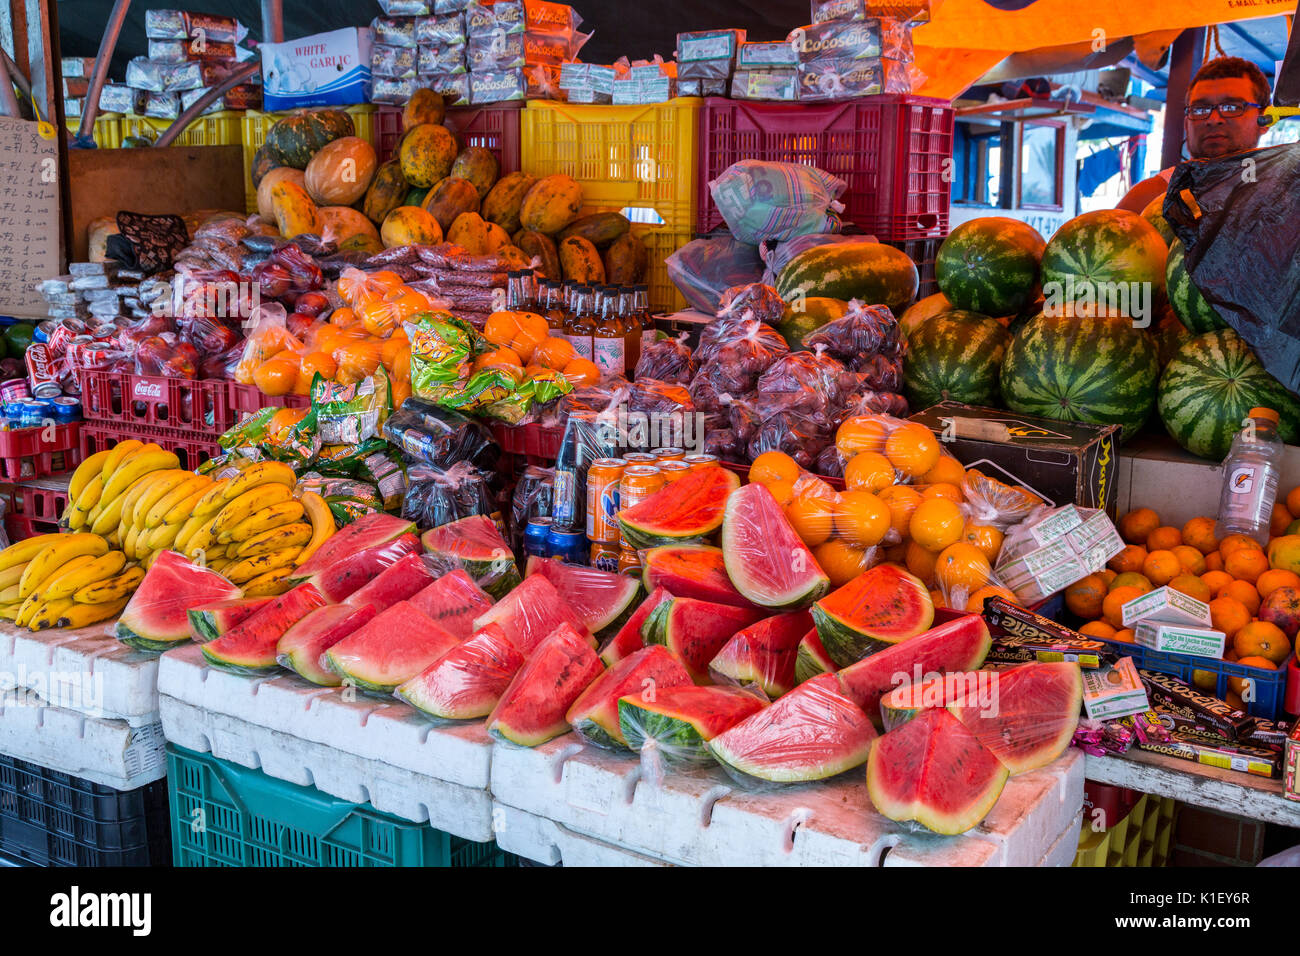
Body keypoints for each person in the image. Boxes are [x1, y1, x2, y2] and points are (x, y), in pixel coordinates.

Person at [1117, 56, 1271, 213]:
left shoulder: (1281, 197)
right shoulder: (1148, 199)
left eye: (1231, 107)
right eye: (1200, 110)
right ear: (1186, 124)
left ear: (1265, 119)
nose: (1213, 119)